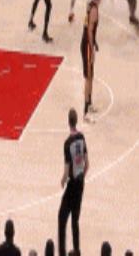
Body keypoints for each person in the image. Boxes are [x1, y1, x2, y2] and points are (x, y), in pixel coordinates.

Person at [58, 109, 89, 256]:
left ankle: (62, 252)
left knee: (62, 217)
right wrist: (81, 177)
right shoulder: (82, 137)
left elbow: (66, 169)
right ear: (76, 121)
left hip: (72, 184)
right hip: (81, 182)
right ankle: (77, 250)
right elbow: (87, 164)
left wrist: (63, 180)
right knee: (75, 220)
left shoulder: (67, 143)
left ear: (68, 122)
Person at [80, 0, 101, 123]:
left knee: (91, 75)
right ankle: (85, 111)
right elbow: (89, 31)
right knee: (88, 77)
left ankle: (90, 103)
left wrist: (95, 43)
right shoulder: (94, 10)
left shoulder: (91, 5)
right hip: (87, 45)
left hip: (88, 43)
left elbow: (90, 29)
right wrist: (92, 48)